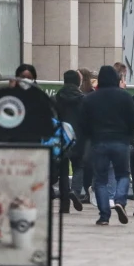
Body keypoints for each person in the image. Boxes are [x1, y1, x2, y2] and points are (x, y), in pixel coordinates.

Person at [79, 65, 134, 225]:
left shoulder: (90, 98)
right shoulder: (125, 97)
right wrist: (127, 133)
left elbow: (83, 123)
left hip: (99, 142)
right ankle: (120, 201)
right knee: (123, 175)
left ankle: (104, 215)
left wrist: (91, 135)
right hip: (121, 141)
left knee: (100, 180)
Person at [55, 70, 87, 211]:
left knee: (63, 170)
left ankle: (64, 204)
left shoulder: (56, 98)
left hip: (62, 137)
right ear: (78, 82)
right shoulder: (84, 99)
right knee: (79, 166)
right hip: (79, 136)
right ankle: (75, 191)